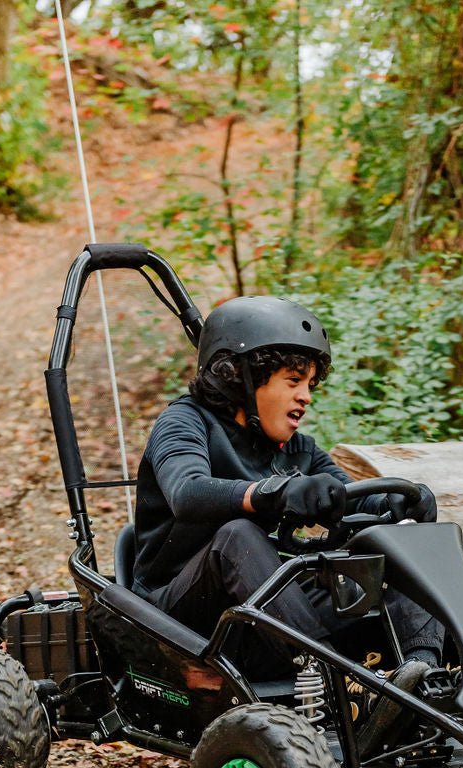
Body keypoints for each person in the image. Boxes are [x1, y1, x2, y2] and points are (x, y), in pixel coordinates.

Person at [132, 294, 443, 743]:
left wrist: (398, 506)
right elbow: (188, 492)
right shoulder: (184, 423)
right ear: (236, 376)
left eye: (311, 384)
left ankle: (425, 685)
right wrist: (272, 492)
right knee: (236, 535)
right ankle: (337, 686)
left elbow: (346, 501)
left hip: (268, 618)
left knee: (401, 547)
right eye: (294, 380)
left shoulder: (298, 449)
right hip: (181, 619)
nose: (306, 397)